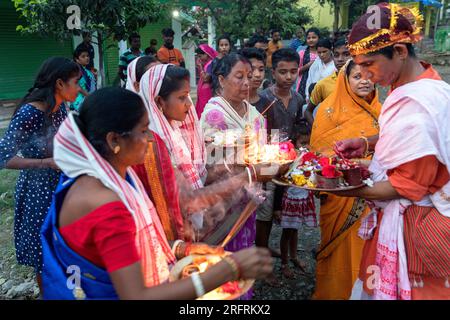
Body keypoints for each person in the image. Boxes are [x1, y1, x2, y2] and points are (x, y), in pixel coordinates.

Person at [41, 87, 273, 299]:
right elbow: (136, 296)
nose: (150, 139)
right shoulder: (106, 205)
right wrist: (228, 269)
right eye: (143, 131)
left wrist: (182, 248)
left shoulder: (102, 177)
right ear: (114, 140)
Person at [333, 3, 450, 300]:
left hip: (418, 229)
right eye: (358, 66)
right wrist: (369, 142)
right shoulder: (425, 84)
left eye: (370, 64)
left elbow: (406, 185)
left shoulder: (417, 103)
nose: (364, 74)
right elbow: (414, 139)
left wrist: (345, 188)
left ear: (399, 51)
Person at [0, 57, 79, 292]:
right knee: (44, 257)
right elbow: (4, 157)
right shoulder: (30, 113)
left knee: (64, 249)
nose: (78, 87)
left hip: (61, 187)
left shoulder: (60, 108)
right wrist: (46, 162)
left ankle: (66, 293)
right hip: (38, 193)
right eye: (75, 82)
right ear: (59, 84)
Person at [310, 60, 381, 300]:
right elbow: (320, 155)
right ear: (344, 79)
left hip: (377, 193)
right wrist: (356, 165)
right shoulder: (328, 110)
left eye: (370, 75)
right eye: (357, 76)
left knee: (370, 249)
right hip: (341, 194)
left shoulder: (383, 109)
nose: (365, 81)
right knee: (340, 251)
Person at [257, 48, 305, 283]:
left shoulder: (297, 99)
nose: (289, 77)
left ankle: (287, 255)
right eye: (283, 72)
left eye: (293, 72)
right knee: (264, 215)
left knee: (288, 210)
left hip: (290, 162)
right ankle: (263, 264)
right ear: (273, 72)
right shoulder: (263, 99)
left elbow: (298, 128)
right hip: (267, 162)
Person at [279, 123, 316, 279]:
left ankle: (293, 257)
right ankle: (284, 263)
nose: (305, 147)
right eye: (302, 143)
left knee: (295, 230)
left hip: (302, 199)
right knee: (287, 232)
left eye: (308, 143)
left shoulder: (309, 159)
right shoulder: (290, 161)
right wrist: (277, 208)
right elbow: (281, 182)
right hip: (291, 201)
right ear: (294, 143)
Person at [304, 38, 352, 126]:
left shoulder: (362, 84)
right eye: (336, 55)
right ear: (333, 57)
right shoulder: (323, 84)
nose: (340, 59)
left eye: (346, 54)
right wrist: (317, 130)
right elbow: (308, 111)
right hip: (330, 135)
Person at [239, 47, 272, 112]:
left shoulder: (268, 104)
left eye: (261, 70)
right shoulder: (232, 103)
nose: (258, 75)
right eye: (252, 69)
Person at [295, 28, 320, 98]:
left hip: (318, 84)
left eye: (314, 37)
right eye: (309, 38)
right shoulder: (301, 53)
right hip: (302, 86)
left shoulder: (322, 53)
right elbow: (296, 71)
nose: (311, 40)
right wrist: (308, 65)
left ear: (319, 38)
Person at [70, 47, 97, 112]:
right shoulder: (76, 71)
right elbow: (77, 87)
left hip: (88, 101)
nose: (87, 58)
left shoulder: (88, 71)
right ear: (77, 59)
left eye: (87, 56)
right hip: (79, 103)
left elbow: (93, 86)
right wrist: (90, 96)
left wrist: (95, 77)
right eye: (83, 56)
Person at [195, 44, 218, 117]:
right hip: (204, 93)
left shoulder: (210, 64)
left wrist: (200, 67)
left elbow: (206, 78)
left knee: (206, 111)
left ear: (206, 54)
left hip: (207, 93)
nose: (199, 58)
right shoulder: (207, 64)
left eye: (200, 56)